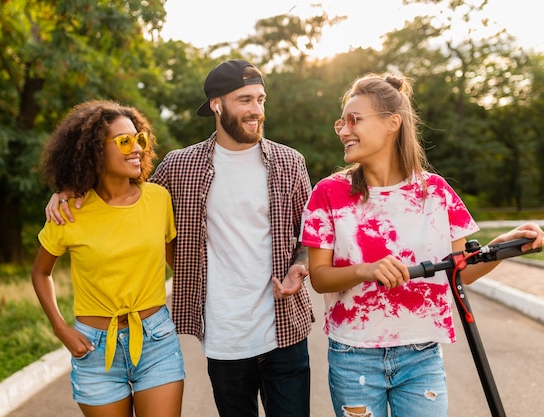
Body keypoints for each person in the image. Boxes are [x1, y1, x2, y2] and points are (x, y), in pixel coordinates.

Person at [45, 59, 315, 417]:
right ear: (217, 105)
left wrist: (301, 265)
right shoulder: (180, 166)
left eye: (261, 99)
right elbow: (123, 198)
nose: (256, 110)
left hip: (285, 331)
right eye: (245, 100)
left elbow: (312, 236)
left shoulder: (289, 163)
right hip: (224, 336)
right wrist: (68, 189)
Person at [300, 73, 544, 417]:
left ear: (392, 123)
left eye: (355, 120)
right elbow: (320, 277)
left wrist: (503, 244)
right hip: (354, 356)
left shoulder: (436, 192)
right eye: (341, 121)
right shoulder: (329, 193)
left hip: (421, 356)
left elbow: (459, 272)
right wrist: (365, 270)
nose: (343, 130)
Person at [32, 99, 185, 417]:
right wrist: (61, 328)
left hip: (155, 340)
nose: (137, 149)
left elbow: (181, 264)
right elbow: (40, 273)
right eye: (124, 141)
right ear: (94, 150)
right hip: (93, 348)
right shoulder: (69, 210)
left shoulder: (158, 199)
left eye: (139, 139)